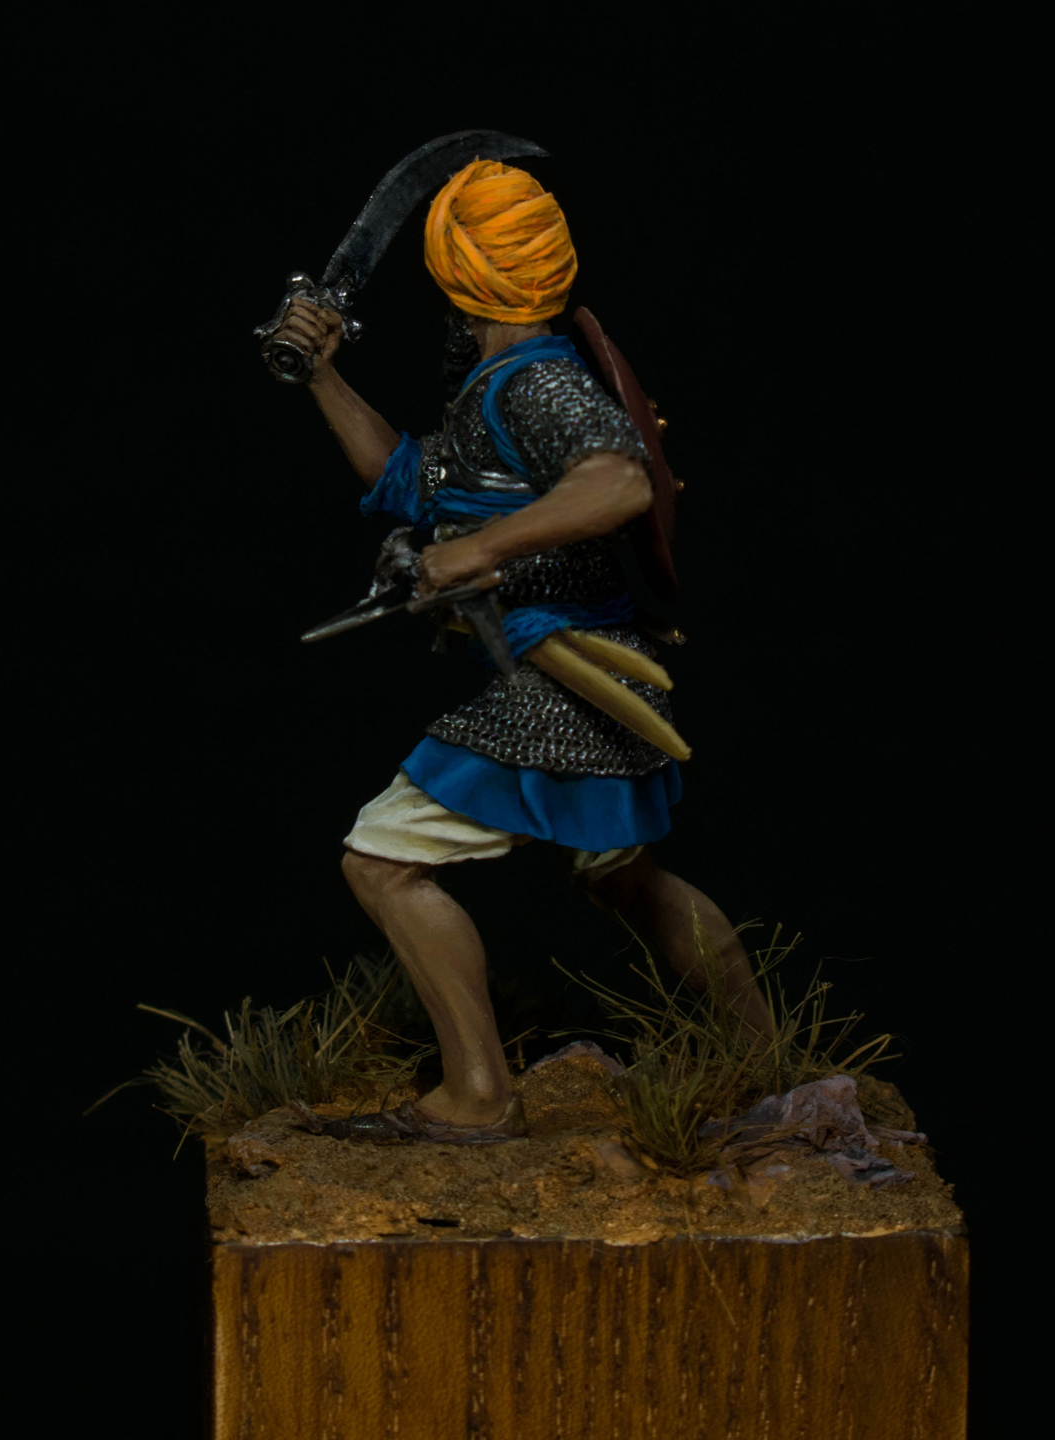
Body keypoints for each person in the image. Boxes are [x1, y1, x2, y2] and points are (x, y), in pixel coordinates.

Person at [278, 160, 770, 1143]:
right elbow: (410, 483)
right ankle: (764, 1063)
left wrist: (477, 551)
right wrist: (323, 375)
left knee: (380, 862)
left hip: (563, 680)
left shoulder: (538, 382)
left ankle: (478, 1096)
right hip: (574, 671)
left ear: (453, 274)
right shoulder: (498, 383)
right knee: (621, 874)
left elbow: (617, 482)